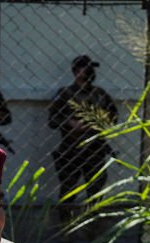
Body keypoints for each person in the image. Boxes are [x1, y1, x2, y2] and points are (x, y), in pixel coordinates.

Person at [48, 55, 118, 228]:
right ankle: (65, 226)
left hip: (95, 150)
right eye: (84, 69)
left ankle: (92, 226)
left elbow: (113, 118)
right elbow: (52, 120)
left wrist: (95, 121)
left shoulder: (100, 95)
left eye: (90, 69)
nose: (88, 73)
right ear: (76, 71)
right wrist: (70, 123)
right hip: (70, 150)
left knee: (95, 191)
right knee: (68, 190)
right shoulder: (65, 94)